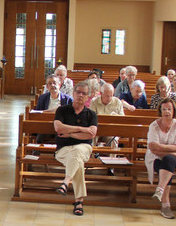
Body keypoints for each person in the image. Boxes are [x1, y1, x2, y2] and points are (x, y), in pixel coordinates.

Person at [53, 81, 98, 216]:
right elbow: (58, 128)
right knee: (78, 161)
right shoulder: (62, 110)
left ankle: (66, 181)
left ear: (87, 97)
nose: (80, 95)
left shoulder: (91, 114)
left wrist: (70, 133)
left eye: (84, 93)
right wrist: (80, 129)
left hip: (84, 148)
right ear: (73, 93)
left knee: (78, 151)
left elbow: (91, 134)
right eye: (78, 92)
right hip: (63, 149)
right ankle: (79, 201)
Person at [145, 98, 176, 219]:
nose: (167, 112)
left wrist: (161, 147)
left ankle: (161, 194)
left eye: (169, 109)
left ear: (174, 111)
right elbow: (153, 149)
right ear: (160, 111)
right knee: (169, 161)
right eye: (164, 109)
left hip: (171, 159)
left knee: (169, 160)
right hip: (155, 158)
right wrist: (175, 153)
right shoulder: (154, 125)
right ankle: (165, 205)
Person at [89, 83, 124, 149]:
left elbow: (122, 119)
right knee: (91, 138)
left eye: (111, 96)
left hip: (111, 131)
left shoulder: (117, 102)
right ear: (101, 93)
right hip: (97, 130)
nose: (109, 98)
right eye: (107, 96)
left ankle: (112, 159)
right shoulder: (94, 101)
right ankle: (92, 158)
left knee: (114, 140)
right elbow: (91, 117)